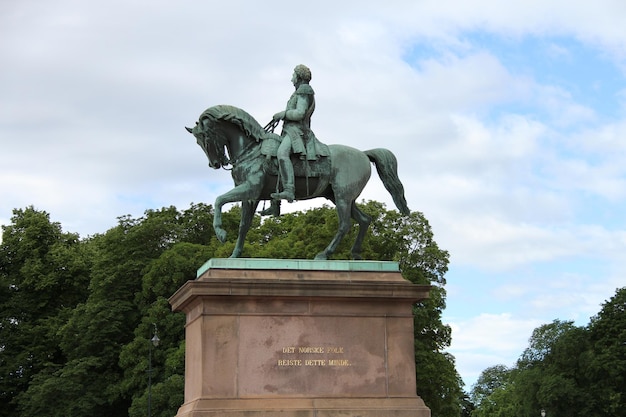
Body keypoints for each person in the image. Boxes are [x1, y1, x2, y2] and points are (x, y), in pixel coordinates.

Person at [270, 64, 316, 202]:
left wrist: (283, 114)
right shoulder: (297, 92)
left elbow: (300, 113)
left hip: (297, 132)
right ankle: (275, 203)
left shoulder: (304, 90)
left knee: (282, 154)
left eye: (293, 75)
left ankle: (289, 190)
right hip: (289, 131)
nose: (291, 79)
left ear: (299, 76)